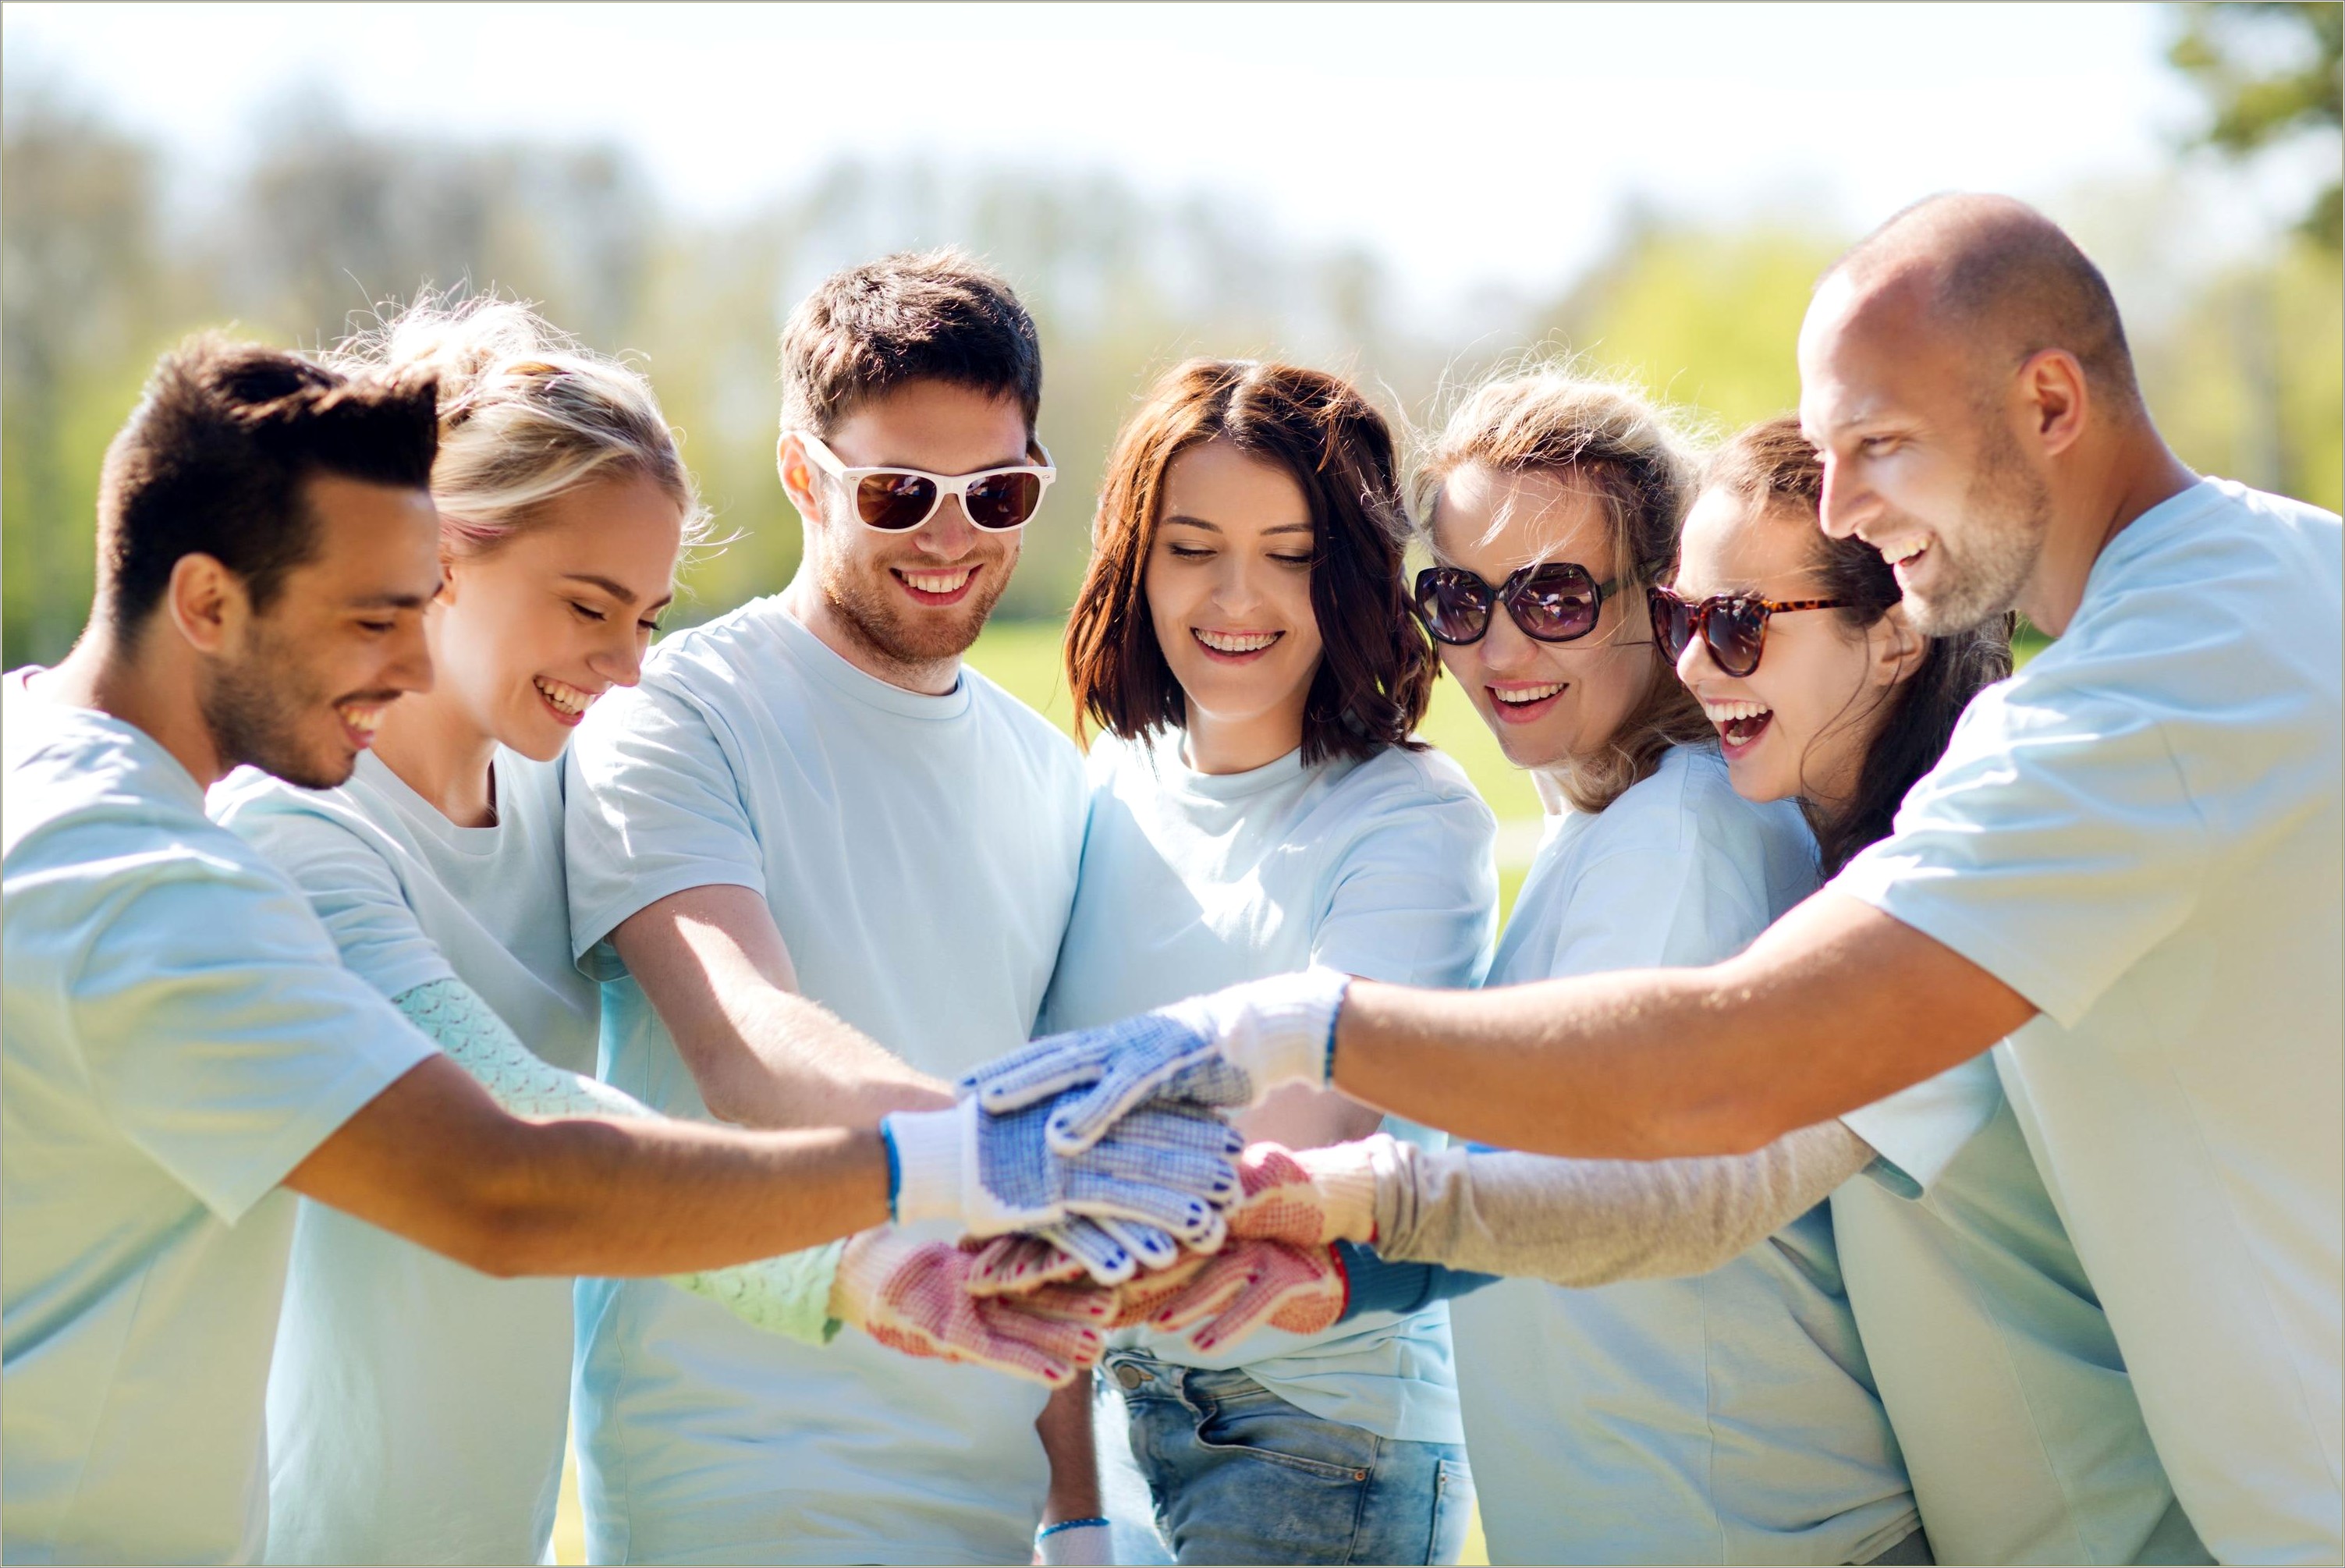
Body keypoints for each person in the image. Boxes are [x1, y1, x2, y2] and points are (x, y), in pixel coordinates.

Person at [970, 194, 2344, 1564]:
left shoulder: (2134, 700)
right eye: (1460, 596)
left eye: (1877, 446)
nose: (1850, 501)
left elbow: (1713, 1081)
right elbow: (1715, 1181)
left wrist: (1286, 1035)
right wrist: (1362, 1227)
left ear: (2049, 399)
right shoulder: (2249, 599)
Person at [1, 338, 1189, 1565]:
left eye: (646, 616)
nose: (630, 667)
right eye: (379, 615)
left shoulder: (554, 790)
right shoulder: (213, 853)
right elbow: (515, 1155)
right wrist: (930, 1184)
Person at [1208, 415, 2206, 1564]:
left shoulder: (1851, 887)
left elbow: (1663, 1184)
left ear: (1895, 634)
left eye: (1733, 624)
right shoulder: (1812, 857)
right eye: (1458, 600)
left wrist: (1312, 1110)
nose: (1691, 662)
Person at [559, 251, 1112, 1564]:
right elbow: (744, 1044)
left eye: (1000, 491)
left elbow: (1044, 1171)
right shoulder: (674, 712)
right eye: (901, 490)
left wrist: (1080, 1513)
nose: (952, 532)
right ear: (804, 476)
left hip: (984, 1498)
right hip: (736, 1483)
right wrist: (1011, 1152)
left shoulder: (1048, 773)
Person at [1035, 359, 1495, 1564]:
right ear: (1136, 560)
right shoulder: (1100, 791)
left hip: (1316, 1442)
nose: (1238, 595)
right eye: (1192, 546)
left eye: (1290, 553)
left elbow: (1289, 1148)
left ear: (1348, 572)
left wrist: (990, 1182)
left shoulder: (1412, 819)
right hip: (1103, 1421)